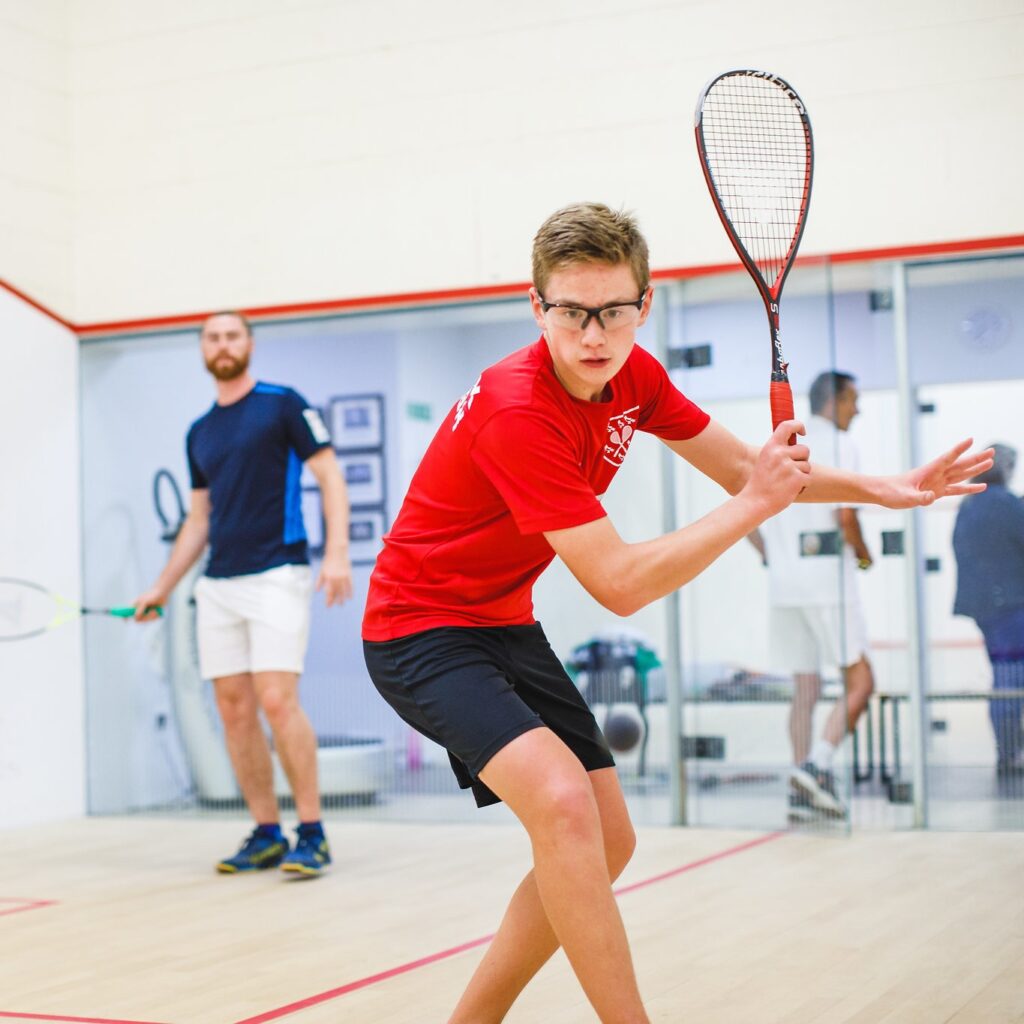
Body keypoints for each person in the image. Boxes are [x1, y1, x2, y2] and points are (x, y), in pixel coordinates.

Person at [361, 202, 990, 1023]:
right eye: (572, 312)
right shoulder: (519, 409)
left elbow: (742, 467)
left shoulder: (637, 377)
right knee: (560, 804)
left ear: (643, 306)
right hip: (418, 630)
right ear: (537, 307)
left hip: (503, 621)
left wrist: (884, 488)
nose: (593, 334)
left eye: (613, 312)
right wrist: (758, 505)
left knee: (607, 839)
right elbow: (619, 581)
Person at [134, 311, 353, 877]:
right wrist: (160, 588)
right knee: (233, 711)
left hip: (278, 572)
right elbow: (197, 520)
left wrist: (335, 554)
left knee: (278, 701)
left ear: (249, 345)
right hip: (218, 583)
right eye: (212, 337)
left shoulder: (283, 404)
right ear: (203, 350)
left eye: (232, 335)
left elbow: (330, 475)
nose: (223, 344)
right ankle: (265, 832)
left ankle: (312, 832)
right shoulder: (199, 432)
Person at [747, 371, 876, 822]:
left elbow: (746, 516)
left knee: (806, 687)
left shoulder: (780, 445)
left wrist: (775, 559)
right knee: (862, 682)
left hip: (785, 588)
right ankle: (816, 767)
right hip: (829, 586)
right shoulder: (842, 444)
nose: (857, 410)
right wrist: (863, 557)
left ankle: (798, 788)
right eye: (853, 400)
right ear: (835, 399)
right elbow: (846, 518)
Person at [953, 443, 1024, 774]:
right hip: (1010, 607)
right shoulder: (1009, 506)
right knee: (1010, 679)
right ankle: (1011, 755)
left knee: (1003, 677)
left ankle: (1007, 752)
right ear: (1005, 469)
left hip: (987, 610)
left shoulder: (967, 507)